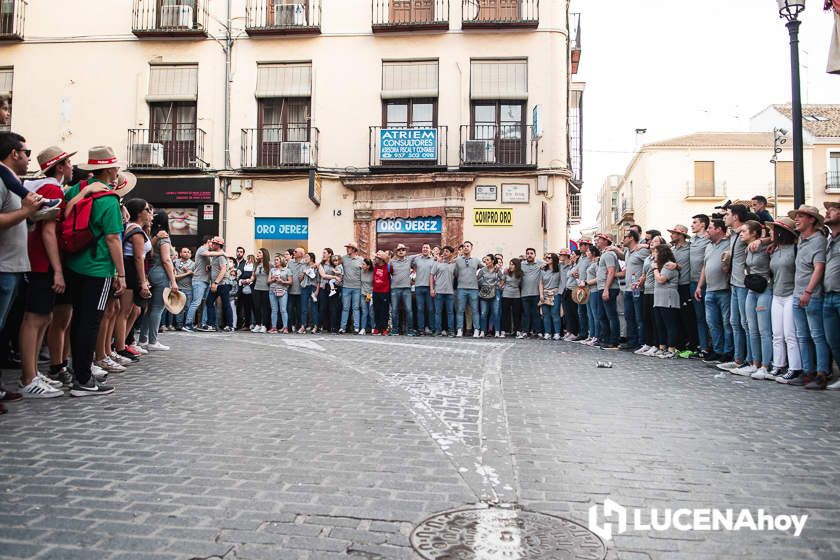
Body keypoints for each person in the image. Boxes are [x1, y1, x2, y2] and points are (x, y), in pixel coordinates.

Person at [63, 146, 126, 396]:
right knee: (90, 323)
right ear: (110, 169)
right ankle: (84, 379)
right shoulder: (108, 199)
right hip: (98, 267)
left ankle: (76, 371)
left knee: (77, 320)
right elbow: (112, 239)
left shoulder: (76, 191)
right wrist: (120, 274)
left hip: (73, 263)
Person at [16, 147, 75, 398]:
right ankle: (28, 377)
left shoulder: (46, 187)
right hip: (42, 262)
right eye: (69, 163)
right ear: (60, 167)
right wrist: (57, 270)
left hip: (40, 261)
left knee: (44, 318)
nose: (72, 167)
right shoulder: (51, 189)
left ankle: (31, 374)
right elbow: (48, 232)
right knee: (35, 318)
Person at [789, 205, 830, 389]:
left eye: (801, 217)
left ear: (812, 220)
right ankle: (808, 372)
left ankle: (822, 373)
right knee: (803, 336)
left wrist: (808, 291)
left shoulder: (818, 241)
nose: (797, 219)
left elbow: (819, 268)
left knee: (817, 336)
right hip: (797, 294)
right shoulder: (801, 240)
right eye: (796, 216)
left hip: (811, 295)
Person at [111, 198, 151, 369]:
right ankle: (119, 347)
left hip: (131, 269)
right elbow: (138, 258)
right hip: (130, 269)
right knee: (123, 312)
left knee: (132, 310)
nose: (150, 213)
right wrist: (143, 282)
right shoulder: (135, 230)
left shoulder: (137, 229)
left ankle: (121, 344)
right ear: (139, 212)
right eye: (147, 209)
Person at [694, 219, 733, 366]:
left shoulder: (729, 243)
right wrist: (699, 286)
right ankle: (717, 350)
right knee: (712, 323)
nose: (707, 230)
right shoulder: (709, 246)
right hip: (709, 289)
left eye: (710, 228)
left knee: (726, 322)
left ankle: (728, 352)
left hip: (724, 289)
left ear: (719, 229)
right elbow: (705, 266)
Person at [718, 204, 751, 373]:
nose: (724, 217)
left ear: (736, 216)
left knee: (747, 324)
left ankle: (751, 361)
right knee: (734, 322)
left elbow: (763, 234)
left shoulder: (746, 231)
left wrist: (762, 240)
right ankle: (738, 359)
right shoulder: (733, 235)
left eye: (728, 214)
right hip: (734, 283)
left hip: (744, 284)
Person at [737, 220, 773, 378]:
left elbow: (776, 238)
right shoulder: (746, 249)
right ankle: (755, 363)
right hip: (752, 290)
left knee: (764, 330)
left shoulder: (764, 246)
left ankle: (765, 366)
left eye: (744, 231)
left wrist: (762, 240)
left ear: (754, 233)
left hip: (765, 289)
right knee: (752, 328)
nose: (741, 234)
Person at [139, 209, 179, 347]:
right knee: (157, 308)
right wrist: (173, 281)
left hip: (149, 272)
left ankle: (143, 340)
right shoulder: (164, 237)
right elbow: (166, 260)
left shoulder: (149, 235)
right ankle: (153, 341)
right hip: (161, 273)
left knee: (148, 309)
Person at [0, 131, 60, 221]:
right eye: (27, 153)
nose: (29, 158)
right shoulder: (1, 181)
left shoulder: (12, 182)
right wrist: (25, 212)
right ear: (14, 154)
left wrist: (29, 218)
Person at [183, 236, 225, 332]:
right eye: (212, 243)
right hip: (199, 281)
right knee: (196, 302)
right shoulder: (202, 249)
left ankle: (204, 323)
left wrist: (209, 266)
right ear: (208, 242)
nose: (213, 245)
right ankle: (188, 324)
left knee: (208, 302)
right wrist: (222, 253)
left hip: (206, 281)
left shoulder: (209, 254)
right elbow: (210, 253)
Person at [668, 224, 697, 355]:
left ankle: (692, 345)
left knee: (688, 316)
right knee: (676, 316)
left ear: (681, 235)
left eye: (673, 233)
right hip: (674, 286)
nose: (671, 235)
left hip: (686, 285)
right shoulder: (672, 249)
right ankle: (680, 343)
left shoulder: (690, 248)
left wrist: (677, 266)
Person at [821, 201, 840, 390]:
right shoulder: (828, 240)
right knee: (832, 339)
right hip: (828, 294)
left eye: (833, 210)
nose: (827, 212)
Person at [651, 243, 681, 358]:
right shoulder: (661, 266)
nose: (654, 254)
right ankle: (662, 347)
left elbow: (661, 279)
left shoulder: (668, 265)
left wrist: (654, 268)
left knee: (669, 324)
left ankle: (671, 348)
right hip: (659, 298)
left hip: (668, 298)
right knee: (660, 324)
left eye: (656, 252)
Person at [619, 230, 647, 351]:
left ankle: (641, 342)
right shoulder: (627, 252)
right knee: (629, 316)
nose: (622, 240)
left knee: (639, 317)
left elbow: (652, 261)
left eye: (625, 237)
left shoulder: (642, 251)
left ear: (631, 238)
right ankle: (632, 341)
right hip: (628, 289)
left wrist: (643, 278)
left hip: (638, 289)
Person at [688, 214, 712, 359]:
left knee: (710, 317)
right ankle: (703, 347)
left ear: (703, 225)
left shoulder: (708, 240)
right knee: (699, 318)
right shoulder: (691, 240)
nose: (692, 225)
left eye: (695, 222)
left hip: (705, 283)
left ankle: (713, 346)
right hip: (692, 282)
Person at [594, 233, 620, 349]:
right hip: (601, 288)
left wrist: (606, 289)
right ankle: (605, 338)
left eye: (599, 239)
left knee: (611, 315)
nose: (597, 241)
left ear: (606, 240)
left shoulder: (609, 254)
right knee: (602, 315)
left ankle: (614, 341)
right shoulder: (604, 254)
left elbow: (611, 272)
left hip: (609, 288)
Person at [203, 237, 231, 332]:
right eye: (212, 243)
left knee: (226, 304)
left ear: (219, 245)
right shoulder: (216, 255)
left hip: (222, 284)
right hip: (218, 284)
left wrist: (215, 283)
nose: (212, 244)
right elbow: (219, 268)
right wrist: (210, 267)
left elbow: (223, 270)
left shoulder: (221, 256)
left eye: (214, 243)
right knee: (209, 302)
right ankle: (211, 325)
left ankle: (230, 325)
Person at [388, 243, 415, 336]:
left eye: (403, 250)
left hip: (406, 288)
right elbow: (386, 273)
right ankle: (395, 330)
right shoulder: (391, 262)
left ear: (405, 251)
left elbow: (420, 256)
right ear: (396, 252)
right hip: (395, 289)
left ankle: (410, 331)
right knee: (394, 310)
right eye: (399, 250)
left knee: (409, 310)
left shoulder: (409, 260)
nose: (401, 251)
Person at [431, 246, 456, 336]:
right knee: (438, 312)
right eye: (444, 251)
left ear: (451, 253)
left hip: (450, 292)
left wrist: (454, 260)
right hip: (438, 292)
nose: (444, 253)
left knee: (450, 313)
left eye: (447, 251)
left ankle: (451, 331)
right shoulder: (437, 263)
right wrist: (432, 289)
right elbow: (431, 276)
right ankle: (438, 330)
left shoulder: (454, 264)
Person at [340, 242, 364, 334]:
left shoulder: (360, 260)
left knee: (356, 308)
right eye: (347, 247)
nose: (347, 249)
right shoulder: (344, 258)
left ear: (354, 249)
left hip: (357, 287)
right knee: (345, 308)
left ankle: (357, 327)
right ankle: (342, 328)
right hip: (346, 287)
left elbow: (365, 271)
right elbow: (335, 263)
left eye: (349, 248)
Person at [539, 253, 563, 340]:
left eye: (549, 257)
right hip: (545, 294)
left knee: (555, 313)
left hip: (555, 293)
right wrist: (541, 294)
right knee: (546, 314)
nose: (547, 259)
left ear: (554, 259)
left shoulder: (559, 268)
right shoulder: (543, 270)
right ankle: (547, 333)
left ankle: (557, 333)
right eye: (546, 257)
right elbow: (541, 283)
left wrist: (557, 291)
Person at [412, 244, 436, 335]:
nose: (425, 249)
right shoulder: (417, 259)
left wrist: (434, 288)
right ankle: (421, 329)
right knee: (420, 309)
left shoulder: (434, 260)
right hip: (418, 287)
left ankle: (432, 328)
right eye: (423, 248)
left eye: (427, 248)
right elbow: (409, 262)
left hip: (429, 287)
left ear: (430, 250)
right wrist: (417, 254)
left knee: (430, 309)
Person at [519, 248, 543, 338]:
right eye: (528, 253)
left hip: (536, 293)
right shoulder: (521, 264)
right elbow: (511, 268)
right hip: (524, 293)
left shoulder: (540, 263)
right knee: (526, 314)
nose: (529, 255)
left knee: (536, 314)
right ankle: (525, 331)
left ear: (535, 255)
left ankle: (538, 332)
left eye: (531, 253)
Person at [477, 254, 501, 338]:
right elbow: (477, 280)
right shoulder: (482, 270)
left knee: (495, 312)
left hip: (495, 291)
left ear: (492, 261)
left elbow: (503, 278)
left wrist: (499, 285)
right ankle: (482, 331)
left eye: (487, 260)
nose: (485, 261)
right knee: (483, 313)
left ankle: (497, 331)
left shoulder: (497, 270)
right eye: (485, 260)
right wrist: (482, 283)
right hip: (484, 292)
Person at [173, 247, 195, 329]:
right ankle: (179, 324)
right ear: (180, 254)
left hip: (189, 288)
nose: (187, 253)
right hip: (178, 288)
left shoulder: (193, 264)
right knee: (179, 307)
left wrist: (190, 272)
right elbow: (174, 277)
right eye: (185, 252)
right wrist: (187, 273)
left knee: (188, 307)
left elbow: (195, 276)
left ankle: (188, 324)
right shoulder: (175, 262)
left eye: (188, 252)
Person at [269, 254, 291, 333]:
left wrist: (282, 281)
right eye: (274, 260)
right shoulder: (272, 270)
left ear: (281, 261)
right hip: (272, 290)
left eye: (277, 260)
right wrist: (273, 279)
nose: (275, 261)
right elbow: (268, 281)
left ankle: (285, 327)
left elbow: (290, 282)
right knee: (274, 310)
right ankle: (274, 327)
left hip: (283, 290)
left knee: (283, 310)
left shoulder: (287, 270)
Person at [251, 248, 271, 333]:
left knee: (265, 308)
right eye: (257, 252)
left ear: (264, 254)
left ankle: (265, 325)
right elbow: (253, 276)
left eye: (259, 252)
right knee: (257, 307)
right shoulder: (256, 264)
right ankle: (258, 324)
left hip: (266, 289)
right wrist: (249, 280)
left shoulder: (270, 265)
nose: (257, 254)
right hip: (256, 288)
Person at [298, 252, 320, 333]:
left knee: (314, 308)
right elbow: (299, 279)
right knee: (304, 308)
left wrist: (317, 290)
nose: (305, 258)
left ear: (311, 258)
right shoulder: (303, 266)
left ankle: (315, 326)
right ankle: (303, 326)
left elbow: (318, 280)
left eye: (307, 257)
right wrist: (303, 273)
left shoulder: (316, 266)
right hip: (304, 287)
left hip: (313, 287)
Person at [372, 250, 391, 335]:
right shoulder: (374, 266)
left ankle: (384, 328)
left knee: (384, 310)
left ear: (381, 259)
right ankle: (377, 327)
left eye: (377, 258)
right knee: (376, 310)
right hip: (375, 291)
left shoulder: (388, 267)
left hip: (385, 291)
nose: (375, 259)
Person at [237, 253, 255, 330]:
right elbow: (240, 277)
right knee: (246, 308)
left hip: (252, 289)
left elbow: (254, 278)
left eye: (250, 259)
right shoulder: (244, 267)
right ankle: (247, 324)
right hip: (244, 290)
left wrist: (249, 281)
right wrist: (242, 281)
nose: (248, 260)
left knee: (253, 308)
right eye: (247, 259)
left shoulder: (254, 267)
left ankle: (253, 323)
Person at [360, 258, 373, 335]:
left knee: (371, 312)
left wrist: (372, 294)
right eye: (362, 264)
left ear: (368, 266)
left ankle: (373, 328)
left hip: (371, 294)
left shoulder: (373, 272)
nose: (362, 265)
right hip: (363, 294)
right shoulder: (361, 271)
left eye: (364, 264)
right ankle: (363, 328)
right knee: (364, 312)